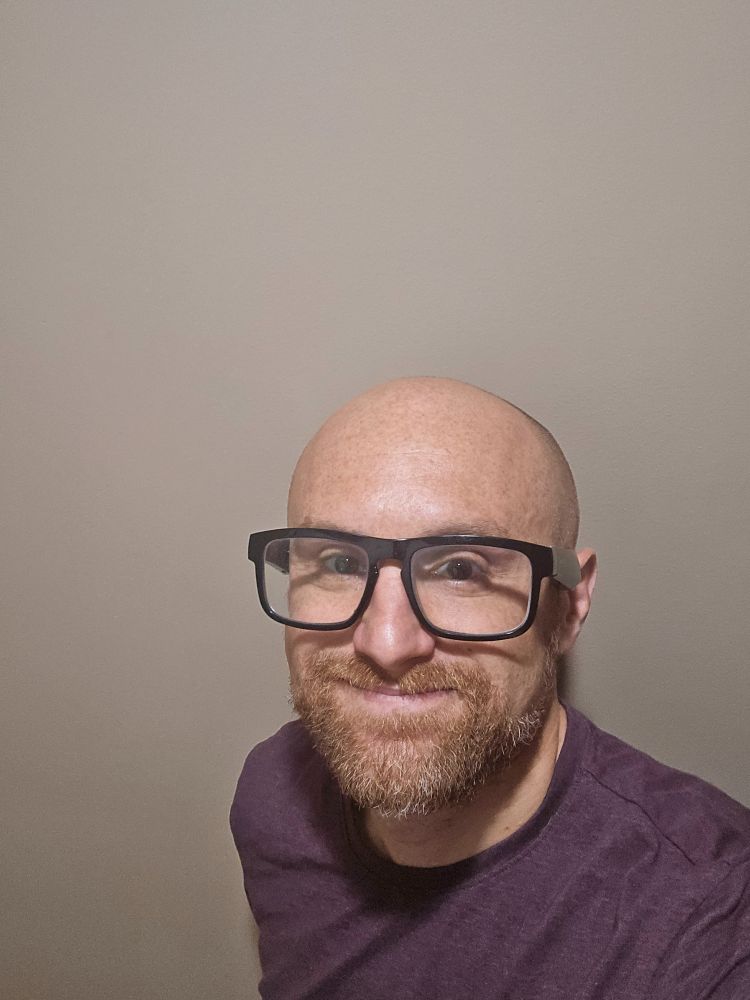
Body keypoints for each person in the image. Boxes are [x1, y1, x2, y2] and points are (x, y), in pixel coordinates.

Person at [231, 377, 750, 1000]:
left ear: (568, 606)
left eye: (461, 569)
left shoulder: (707, 919)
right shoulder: (273, 795)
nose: (386, 643)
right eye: (340, 562)